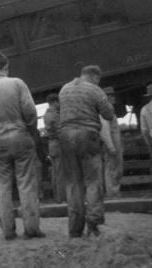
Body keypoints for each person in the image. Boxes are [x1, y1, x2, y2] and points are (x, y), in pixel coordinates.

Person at [0, 52, 44, 240]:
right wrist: (30, 132)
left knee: (3, 186)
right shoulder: (17, 83)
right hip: (21, 135)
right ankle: (31, 229)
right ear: (6, 67)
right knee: (26, 183)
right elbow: (30, 111)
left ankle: (8, 231)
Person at [58, 65, 114, 238]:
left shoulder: (64, 89)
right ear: (96, 77)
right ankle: (93, 223)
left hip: (66, 136)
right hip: (87, 136)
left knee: (73, 183)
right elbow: (108, 114)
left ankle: (75, 229)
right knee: (93, 180)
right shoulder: (95, 89)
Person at [99, 87, 123, 199]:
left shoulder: (108, 110)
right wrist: (110, 146)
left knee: (115, 167)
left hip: (114, 141)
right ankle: (113, 194)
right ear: (107, 97)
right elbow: (104, 129)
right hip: (112, 142)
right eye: (112, 96)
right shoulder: (105, 111)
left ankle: (114, 192)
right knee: (112, 168)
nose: (114, 98)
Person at [44, 93, 65, 204]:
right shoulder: (55, 115)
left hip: (51, 144)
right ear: (54, 102)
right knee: (61, 172)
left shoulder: (46, 115)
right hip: (58, 143)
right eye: (58, 102)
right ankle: (61, 197)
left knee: (54, 172)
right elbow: (60, 132)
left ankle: (57, 196)